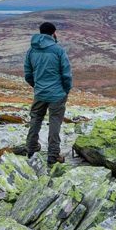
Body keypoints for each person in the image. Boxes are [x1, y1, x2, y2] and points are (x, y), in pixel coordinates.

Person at [23, 21, 72, 163]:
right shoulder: (58, 50)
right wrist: (65, 90)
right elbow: (66, 74)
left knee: (35, 119)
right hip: (57, 94)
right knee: (55, 121)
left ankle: (31, 148)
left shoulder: (31, 50)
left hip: (40, 93)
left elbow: (28, 74)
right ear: (53, 33)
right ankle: (53, 154)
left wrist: (37, 86)